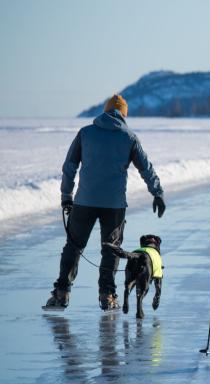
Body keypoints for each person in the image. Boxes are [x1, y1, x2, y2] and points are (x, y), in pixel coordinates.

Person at [44, 94, 165, 311]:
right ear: (124, 114)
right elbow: (146, 168)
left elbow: (69, 166)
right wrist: (157, 193)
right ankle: (107, 295)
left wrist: (66, 196)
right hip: (114, 205)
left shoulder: (85, 133)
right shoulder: (129, 137)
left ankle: (61, 293)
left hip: (85, 202)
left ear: (105, 111)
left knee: (73, 246)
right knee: (111, 249)